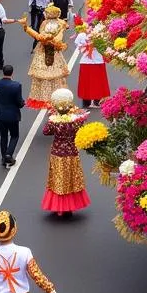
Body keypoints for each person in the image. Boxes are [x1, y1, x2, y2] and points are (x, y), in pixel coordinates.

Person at [41, 88, 90, 216]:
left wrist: (51, 117)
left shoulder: (54, 122)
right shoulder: (76, 121)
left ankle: (59, 207)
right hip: (72, 152)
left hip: (57, 153)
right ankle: (70, 206)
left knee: (58, 178)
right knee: (71, 178)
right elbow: (82, 128)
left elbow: (45, 131)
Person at [22, 5, 69, 109]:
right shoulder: (55, 23)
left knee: (51, 76)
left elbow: (42, 37)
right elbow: (40, 36)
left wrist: (26, 28)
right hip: (49, 51)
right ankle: (54, 98)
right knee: (53, 76)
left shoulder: (56, 23)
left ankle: (53, 98)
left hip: (49, 51)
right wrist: (26, 27)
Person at [0, 65, 25, 168]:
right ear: (12, 73)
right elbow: (19, 102)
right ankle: (8, 154)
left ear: (3, 72)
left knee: (3, 136)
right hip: (12, 115)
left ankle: (3, 157)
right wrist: (23, 103)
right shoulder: (16, 85)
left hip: (1, 114)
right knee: (14, 135)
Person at [75, 25, 110, 108]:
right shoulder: (85, 35)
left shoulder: (83, 35)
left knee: (90, 82)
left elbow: (78, 46)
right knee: (94, 82)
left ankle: (91, 101)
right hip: (93, 61)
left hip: (91, 61)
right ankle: (92, 101)